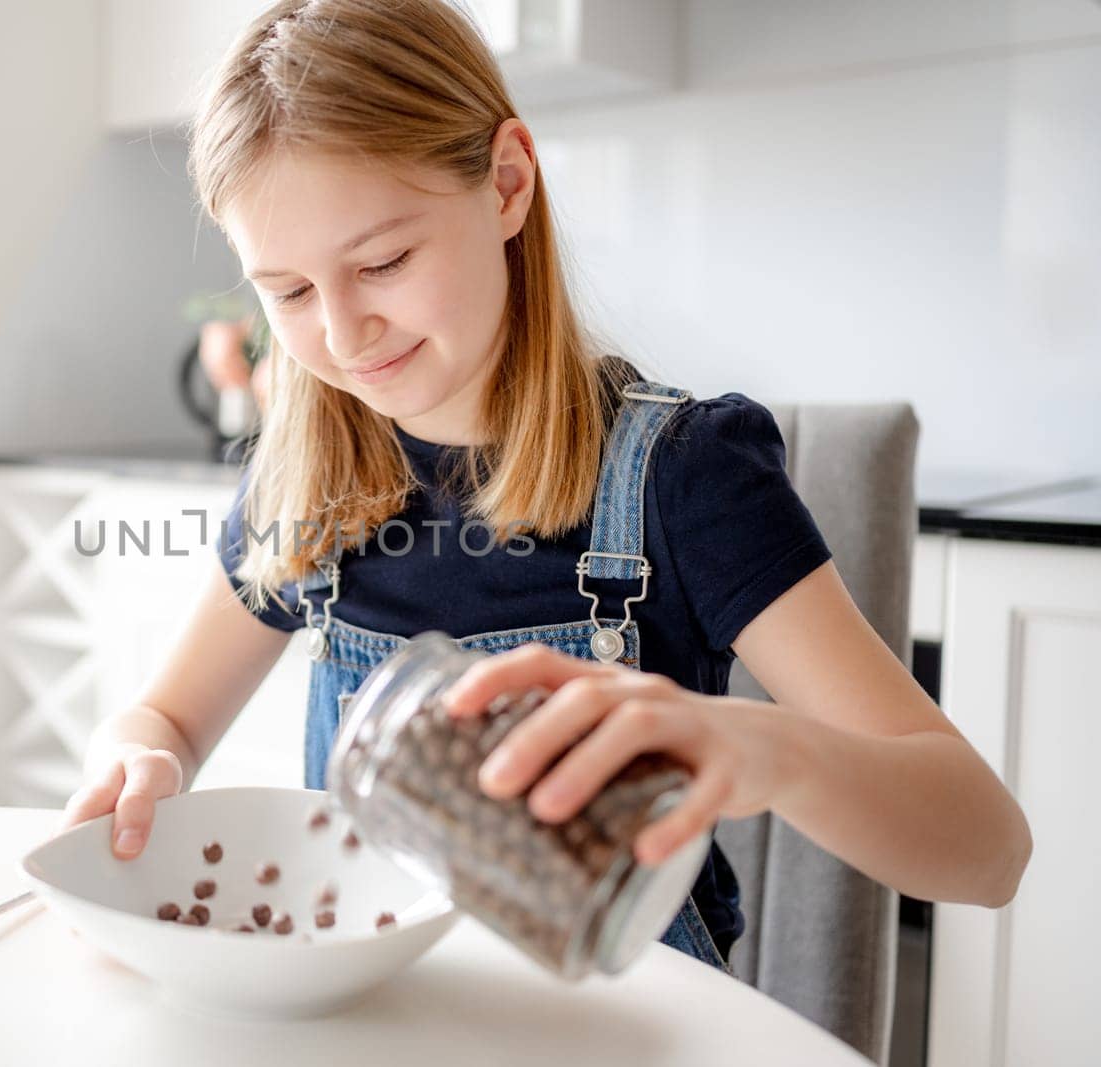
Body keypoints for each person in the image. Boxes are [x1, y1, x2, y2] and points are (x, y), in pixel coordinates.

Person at [57, 0, 1030, 970]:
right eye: (291, 293)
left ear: (508, 183)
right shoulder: (305, 486)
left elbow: (988, 848)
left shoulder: (682, 476)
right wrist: (139, 755)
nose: (345, 334)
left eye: (383, 260)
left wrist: (759, 746)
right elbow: (166, 720)